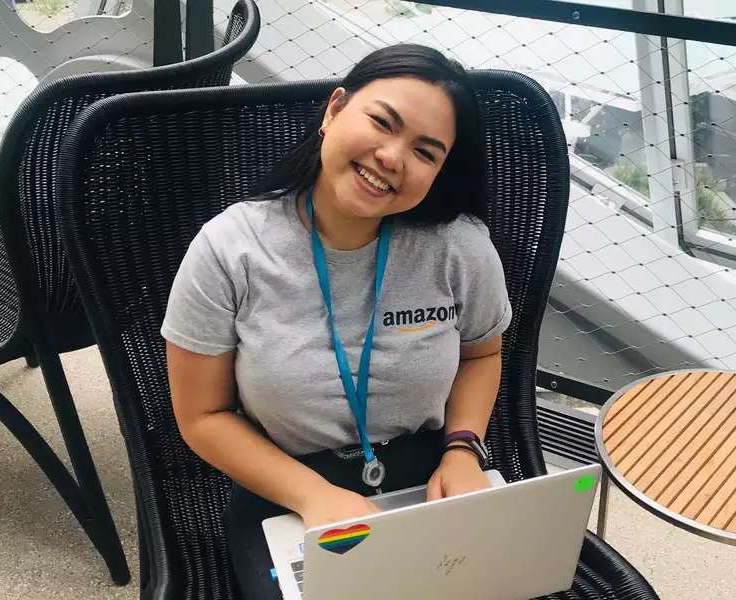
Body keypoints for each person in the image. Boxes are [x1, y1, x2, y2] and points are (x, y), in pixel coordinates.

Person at [161, 44, 512, 600]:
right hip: (286, 485)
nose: (393, 158)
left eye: (425, 152)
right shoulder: (231, 249)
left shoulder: (459, 248)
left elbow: (482, 354)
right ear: (334, 111)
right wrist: (312, 496)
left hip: (431, 474)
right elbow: (201, 415)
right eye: (381, 122)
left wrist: (464, 449)